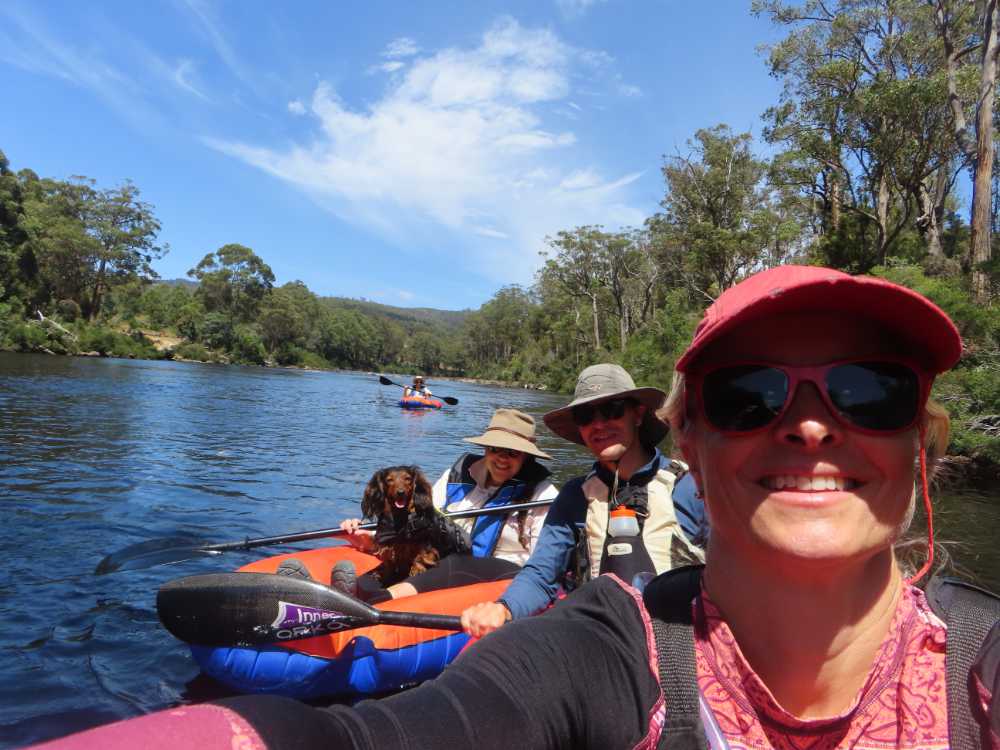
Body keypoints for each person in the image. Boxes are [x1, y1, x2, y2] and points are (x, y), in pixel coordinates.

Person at [46, 266, 999, 750]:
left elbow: (535, 560)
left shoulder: (980, 668)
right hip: (556, 596)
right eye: (750, 395)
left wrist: (505, 585)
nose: (811, 430)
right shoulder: (602, 646)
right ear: (702, 434)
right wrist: (494, 598)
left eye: (871, 391)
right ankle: (335, 592)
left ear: (919, 436)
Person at [461, 363, 706, 637]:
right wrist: (504, 608)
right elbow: (543, 574)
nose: (599, 424)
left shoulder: (691, 486)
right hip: (599, 641)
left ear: (637, 415)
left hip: (679, 647)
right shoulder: (575, 496)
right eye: (586, 415)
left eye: (612, 410)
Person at [335, 408, 559, 602]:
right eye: (494, 449)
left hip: (502, 572)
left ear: (526, 457)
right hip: (445, 558)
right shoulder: (457, 476)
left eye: (512, 453)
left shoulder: (544, 494)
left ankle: (376, 600)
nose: (501, 458)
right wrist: (370, 538)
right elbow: (420, 523)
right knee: (408, 562)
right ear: (486, 449)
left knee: (457, 564)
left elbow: (543, 562)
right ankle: (341, 593)